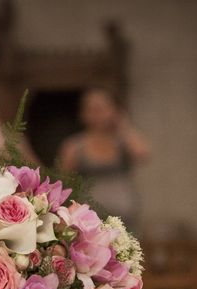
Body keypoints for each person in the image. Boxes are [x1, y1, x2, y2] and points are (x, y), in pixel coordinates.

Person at [58, 86, 149, 230]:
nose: (96, 114)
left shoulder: (123, 141)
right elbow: (63, 182)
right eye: (90, 109)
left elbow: (143, 154)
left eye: (101, 108)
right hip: (90, 222)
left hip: (126, 217)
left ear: (114, 110)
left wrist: (123, 124)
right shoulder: (74, 146)